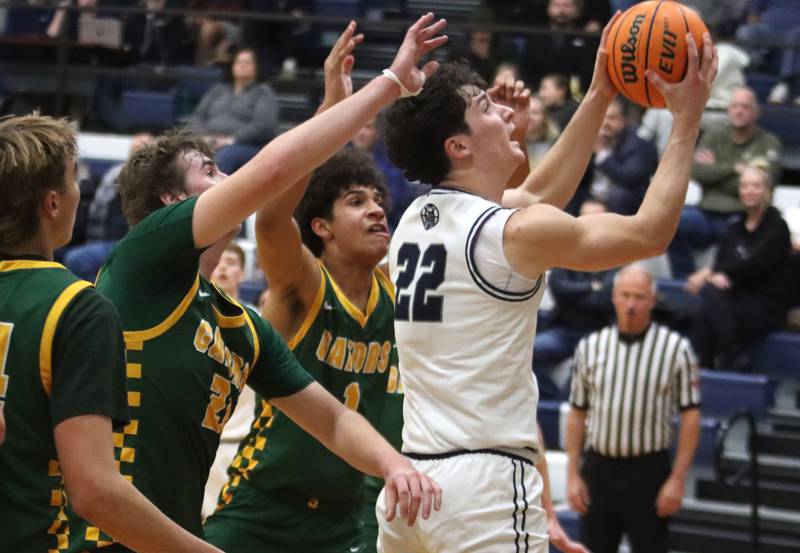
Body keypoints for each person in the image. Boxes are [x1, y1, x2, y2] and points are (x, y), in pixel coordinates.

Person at [67, 17, 448, 550]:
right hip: (103, 539)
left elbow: (333, 420)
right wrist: (386, 84)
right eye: (210, 171)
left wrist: (392, 464)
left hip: (177, 537)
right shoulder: (143, 262)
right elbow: (270, 177)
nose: (228, 181)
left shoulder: (238, 324)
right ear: (173, 205)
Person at [377, 12, 717, 551]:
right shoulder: (509, 232)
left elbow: (536, 197)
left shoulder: (416, 221)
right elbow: (650, 233)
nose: (506, 115)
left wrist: (603, 89)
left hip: (411, 483)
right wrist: (686, 122)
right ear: (458, 147)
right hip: (483, 489)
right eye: (487, 109)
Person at [203, 31, 406, 553]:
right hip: (262, 507)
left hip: (344, 517)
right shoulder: (302, 284)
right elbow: (271, 216)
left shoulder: (397, 291)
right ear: (321, 227)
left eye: (378, 199)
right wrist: (331, 108)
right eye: (357, 201)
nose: (377, 210)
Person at [0, 114, 222, 553]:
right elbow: (95, 491)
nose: (78, 190)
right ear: (53, 204)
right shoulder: (76, 306)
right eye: (73, 179)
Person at [566, 265, 701, 553]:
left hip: (648, 473)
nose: (631, 304)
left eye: (639, 297)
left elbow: (690, 417)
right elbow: (577, 413)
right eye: (625, 295)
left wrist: (677, 480)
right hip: (599, 470)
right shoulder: (590, 346)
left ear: (652, 301)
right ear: (613, 297)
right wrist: (572, 474)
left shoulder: (676, 349)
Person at [686, 165, 793, 371]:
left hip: (766, 305)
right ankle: (721, 364)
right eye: (745, 186)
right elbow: (722, 262)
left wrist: (711, 273)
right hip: (735, 298)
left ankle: (718, 364)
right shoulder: (734, 226)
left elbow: (755, 265)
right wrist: (716, 274)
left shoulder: (777, 226)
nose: (749, 191)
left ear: (768, 192)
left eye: (756, 186)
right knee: (706, 311)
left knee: (708, 306)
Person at [667, 86, 782, 277]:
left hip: (742, 217)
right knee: (670, 222)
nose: (739, 111)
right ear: (728, 110)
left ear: (756, 112)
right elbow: (697, 172)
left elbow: (760, 187)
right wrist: (736, 170)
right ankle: (685, 280)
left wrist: (717, 171)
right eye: (735, 106)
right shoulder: (714, 136)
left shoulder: (768, 143)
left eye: (745, 107)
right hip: (706, 214)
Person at [533, 199, 616, 399]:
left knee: (586, 367)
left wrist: (576, 294)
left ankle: (562, 409)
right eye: (585, 219)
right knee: (524, 354)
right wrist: (591, 287)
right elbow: (560, 290)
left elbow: (605, 299)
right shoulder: (564, 251)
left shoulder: (616, 255)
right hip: (564, 330)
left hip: (599, 335)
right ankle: (551, 401)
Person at [201, 241, 257, 518]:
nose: (223, 267)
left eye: (232, 263)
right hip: (197, 444)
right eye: (219, 260)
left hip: (238, 444)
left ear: (243, 275)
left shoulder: (259, 324)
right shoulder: (192, 319)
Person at [63, 132, 154, 282]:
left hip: (123, 241)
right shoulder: (115, 172)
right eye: (134, 150)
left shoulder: (146, 181)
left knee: (78, 260)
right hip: (98, 238)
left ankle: (97, 299)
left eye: (141, 151)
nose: (136, 154)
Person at [188, 46, 280, 175]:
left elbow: (264, 125)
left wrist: (230, 140)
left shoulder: (263, 92)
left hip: (245, 145)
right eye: (238, 62)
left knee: (226, 155)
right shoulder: (218, 90)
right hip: (208, 141)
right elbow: (198, 116)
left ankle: (214, 194)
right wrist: (204, 138)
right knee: (184, 154)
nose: (242, 66)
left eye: (247, 62)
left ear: (256, 67)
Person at [590, 97, 658, 215]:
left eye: (611, 118)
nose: (605, 123)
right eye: (602, 117)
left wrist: (601, 153)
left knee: (620, 195)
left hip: (624, 202)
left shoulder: (637, 143)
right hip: (592, 198)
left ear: (623, 120)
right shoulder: (591, 139)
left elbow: (629, 178)